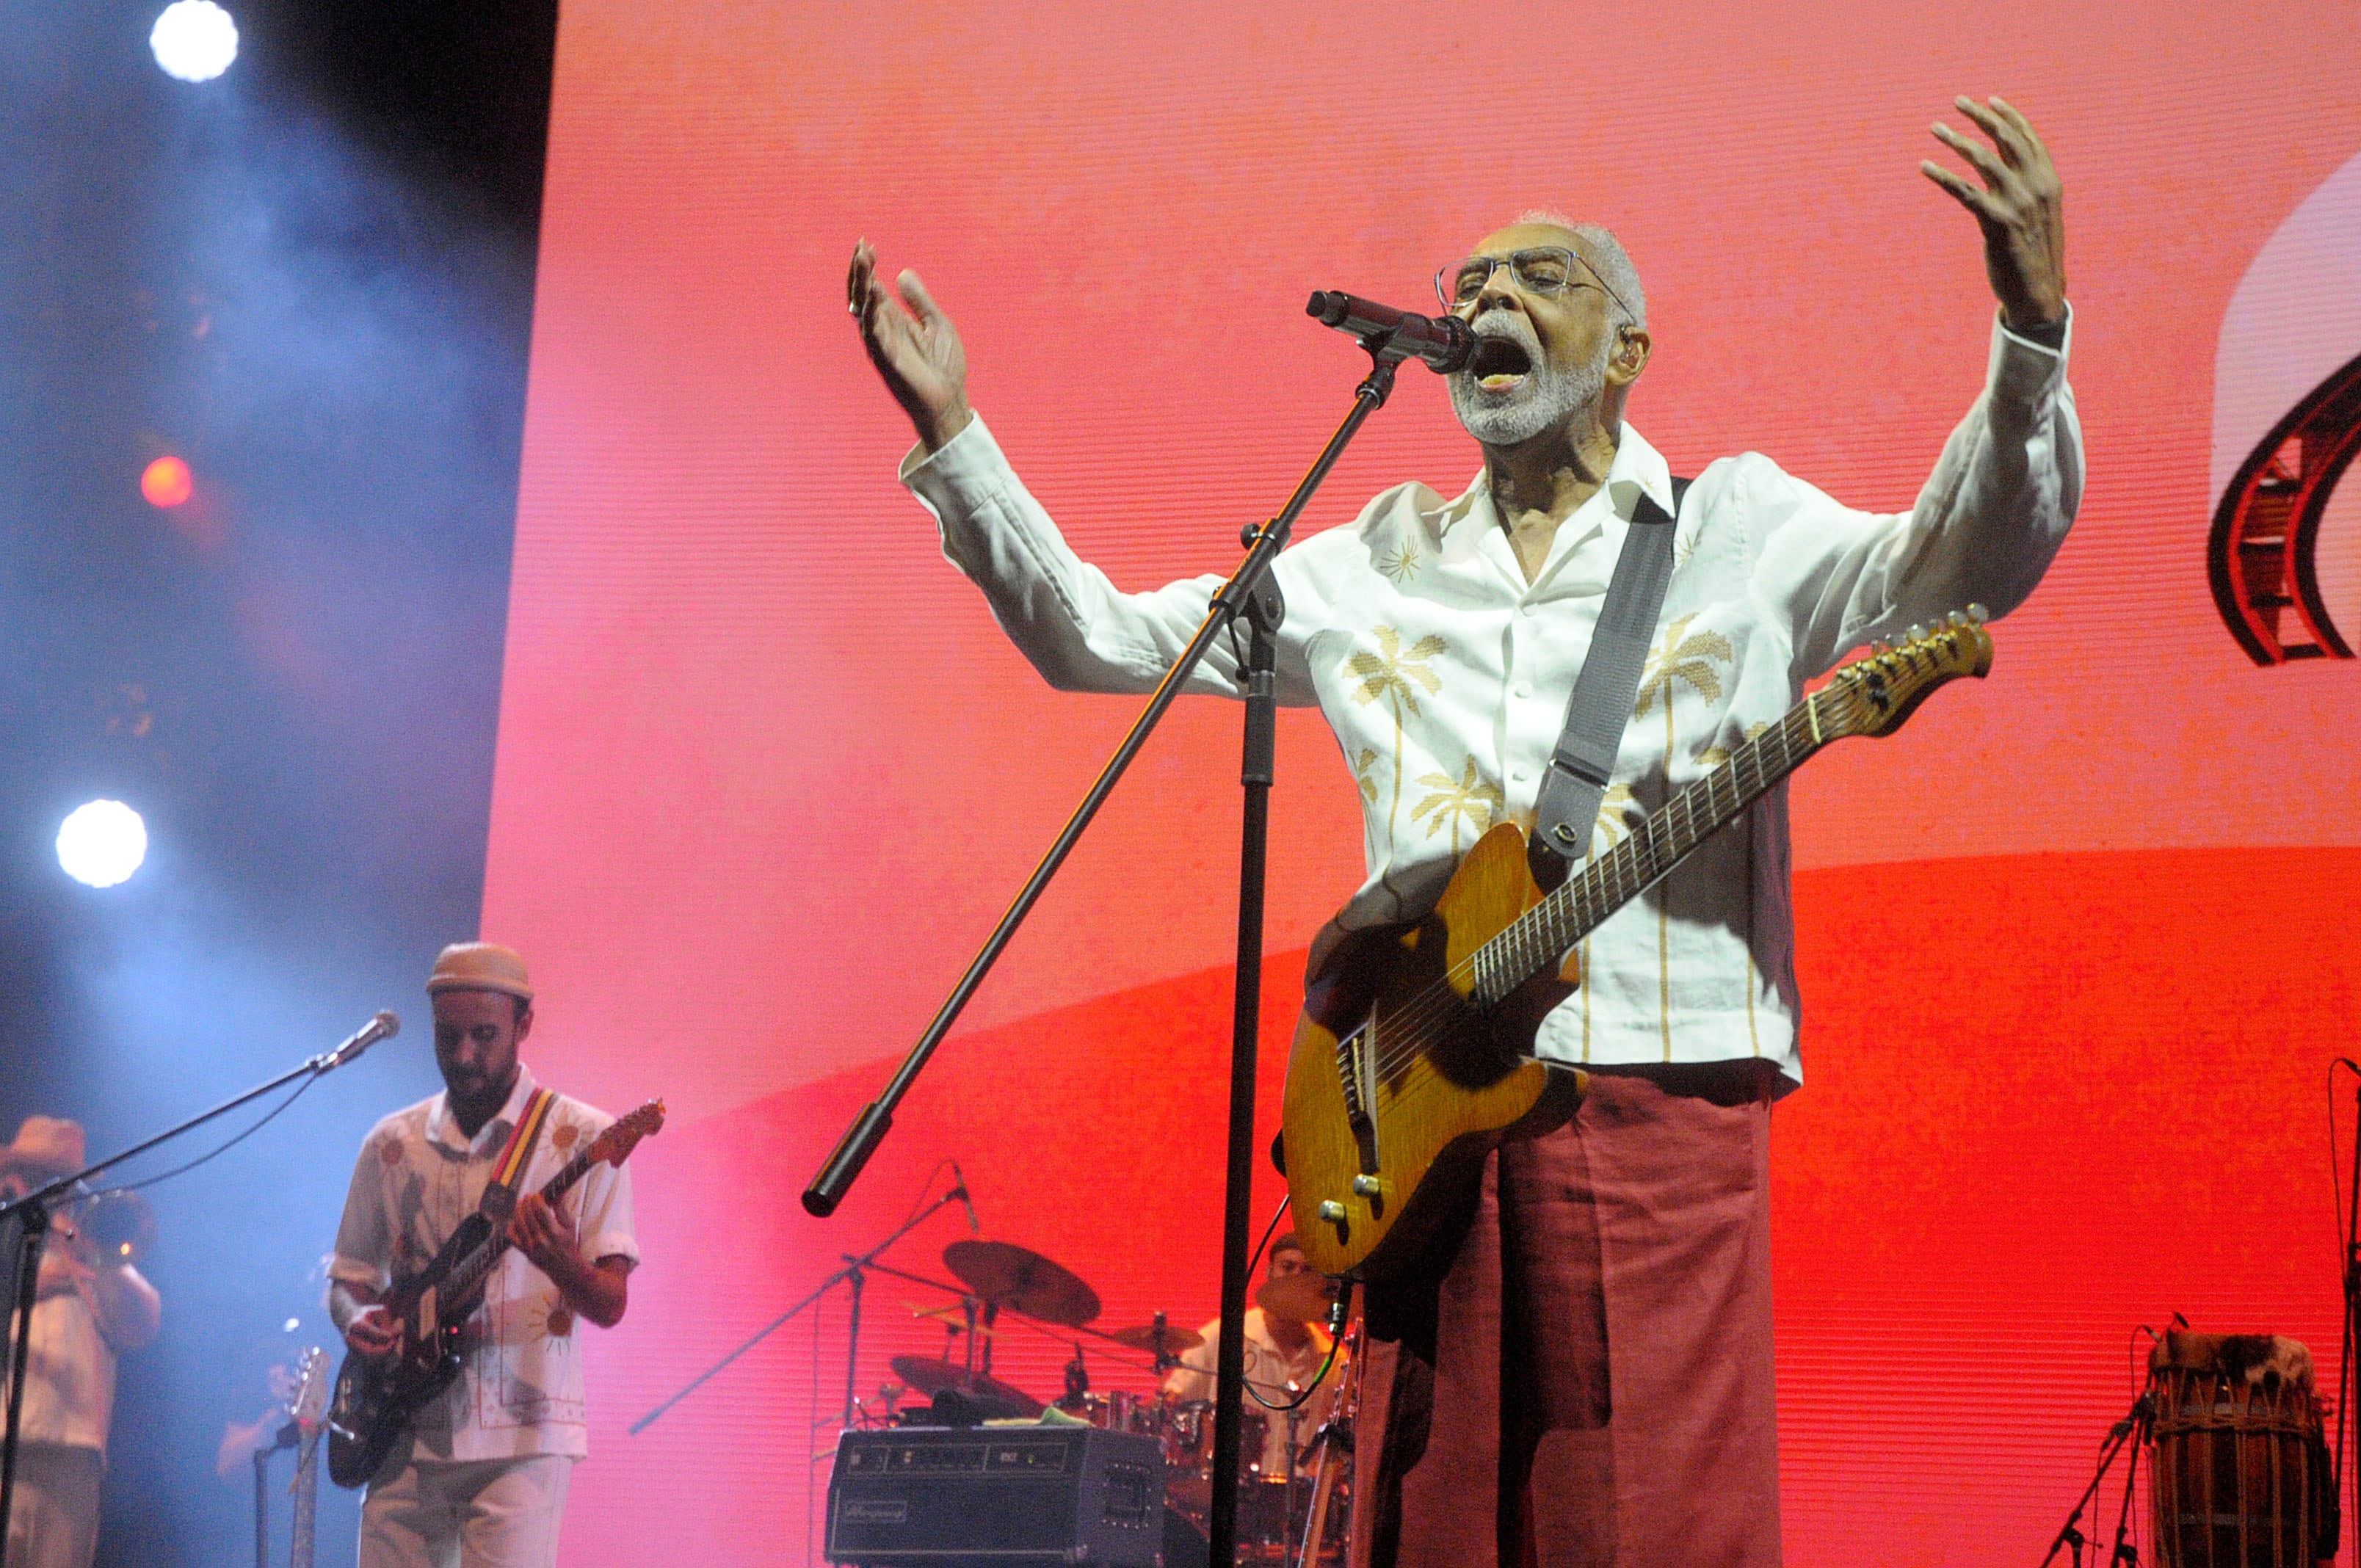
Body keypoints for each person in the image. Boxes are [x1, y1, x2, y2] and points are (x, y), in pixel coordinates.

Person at [849, 98, 2075, 1568]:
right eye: (1467, 288)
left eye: (1536, 279)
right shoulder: (1370, 559)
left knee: (1649, 1523)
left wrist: (2032, 335)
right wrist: (956, 437)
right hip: (1417, 1116)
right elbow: (1101, 639)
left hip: (1648, 1100)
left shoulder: (1739, 529)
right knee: (1432, 1522)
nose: (1486, 301)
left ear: (1626, 347)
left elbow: (1965, 566)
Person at [328, 943, 638, 1568]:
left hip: (522, 1440)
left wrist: (558, 1261)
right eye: (449, 1038)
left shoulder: (584, 1139)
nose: (464, 1055)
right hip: (403, 1432)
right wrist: (352, 1317)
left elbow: (610, 1304)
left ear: (524, 1025)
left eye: (485, 1035)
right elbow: (348, 1278)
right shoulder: (391, 1143)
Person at [0, 1117, 163, 1568]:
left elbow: (144, 1323)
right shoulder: (6, 1241)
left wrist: (88, 1251)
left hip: (71, 1460)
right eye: (36, 1178)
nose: (50, 1192)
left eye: (59, 1182)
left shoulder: (93, 1249)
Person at [1163, 1233, 1337, 1478]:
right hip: (1224, 1492)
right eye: (1287, 1267)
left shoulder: (1333, 1361)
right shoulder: (1222, 1337)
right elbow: (1172, 1404)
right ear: (1269, 1273)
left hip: (1297, 1506)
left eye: (1307, 1271)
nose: (1296, 1278)